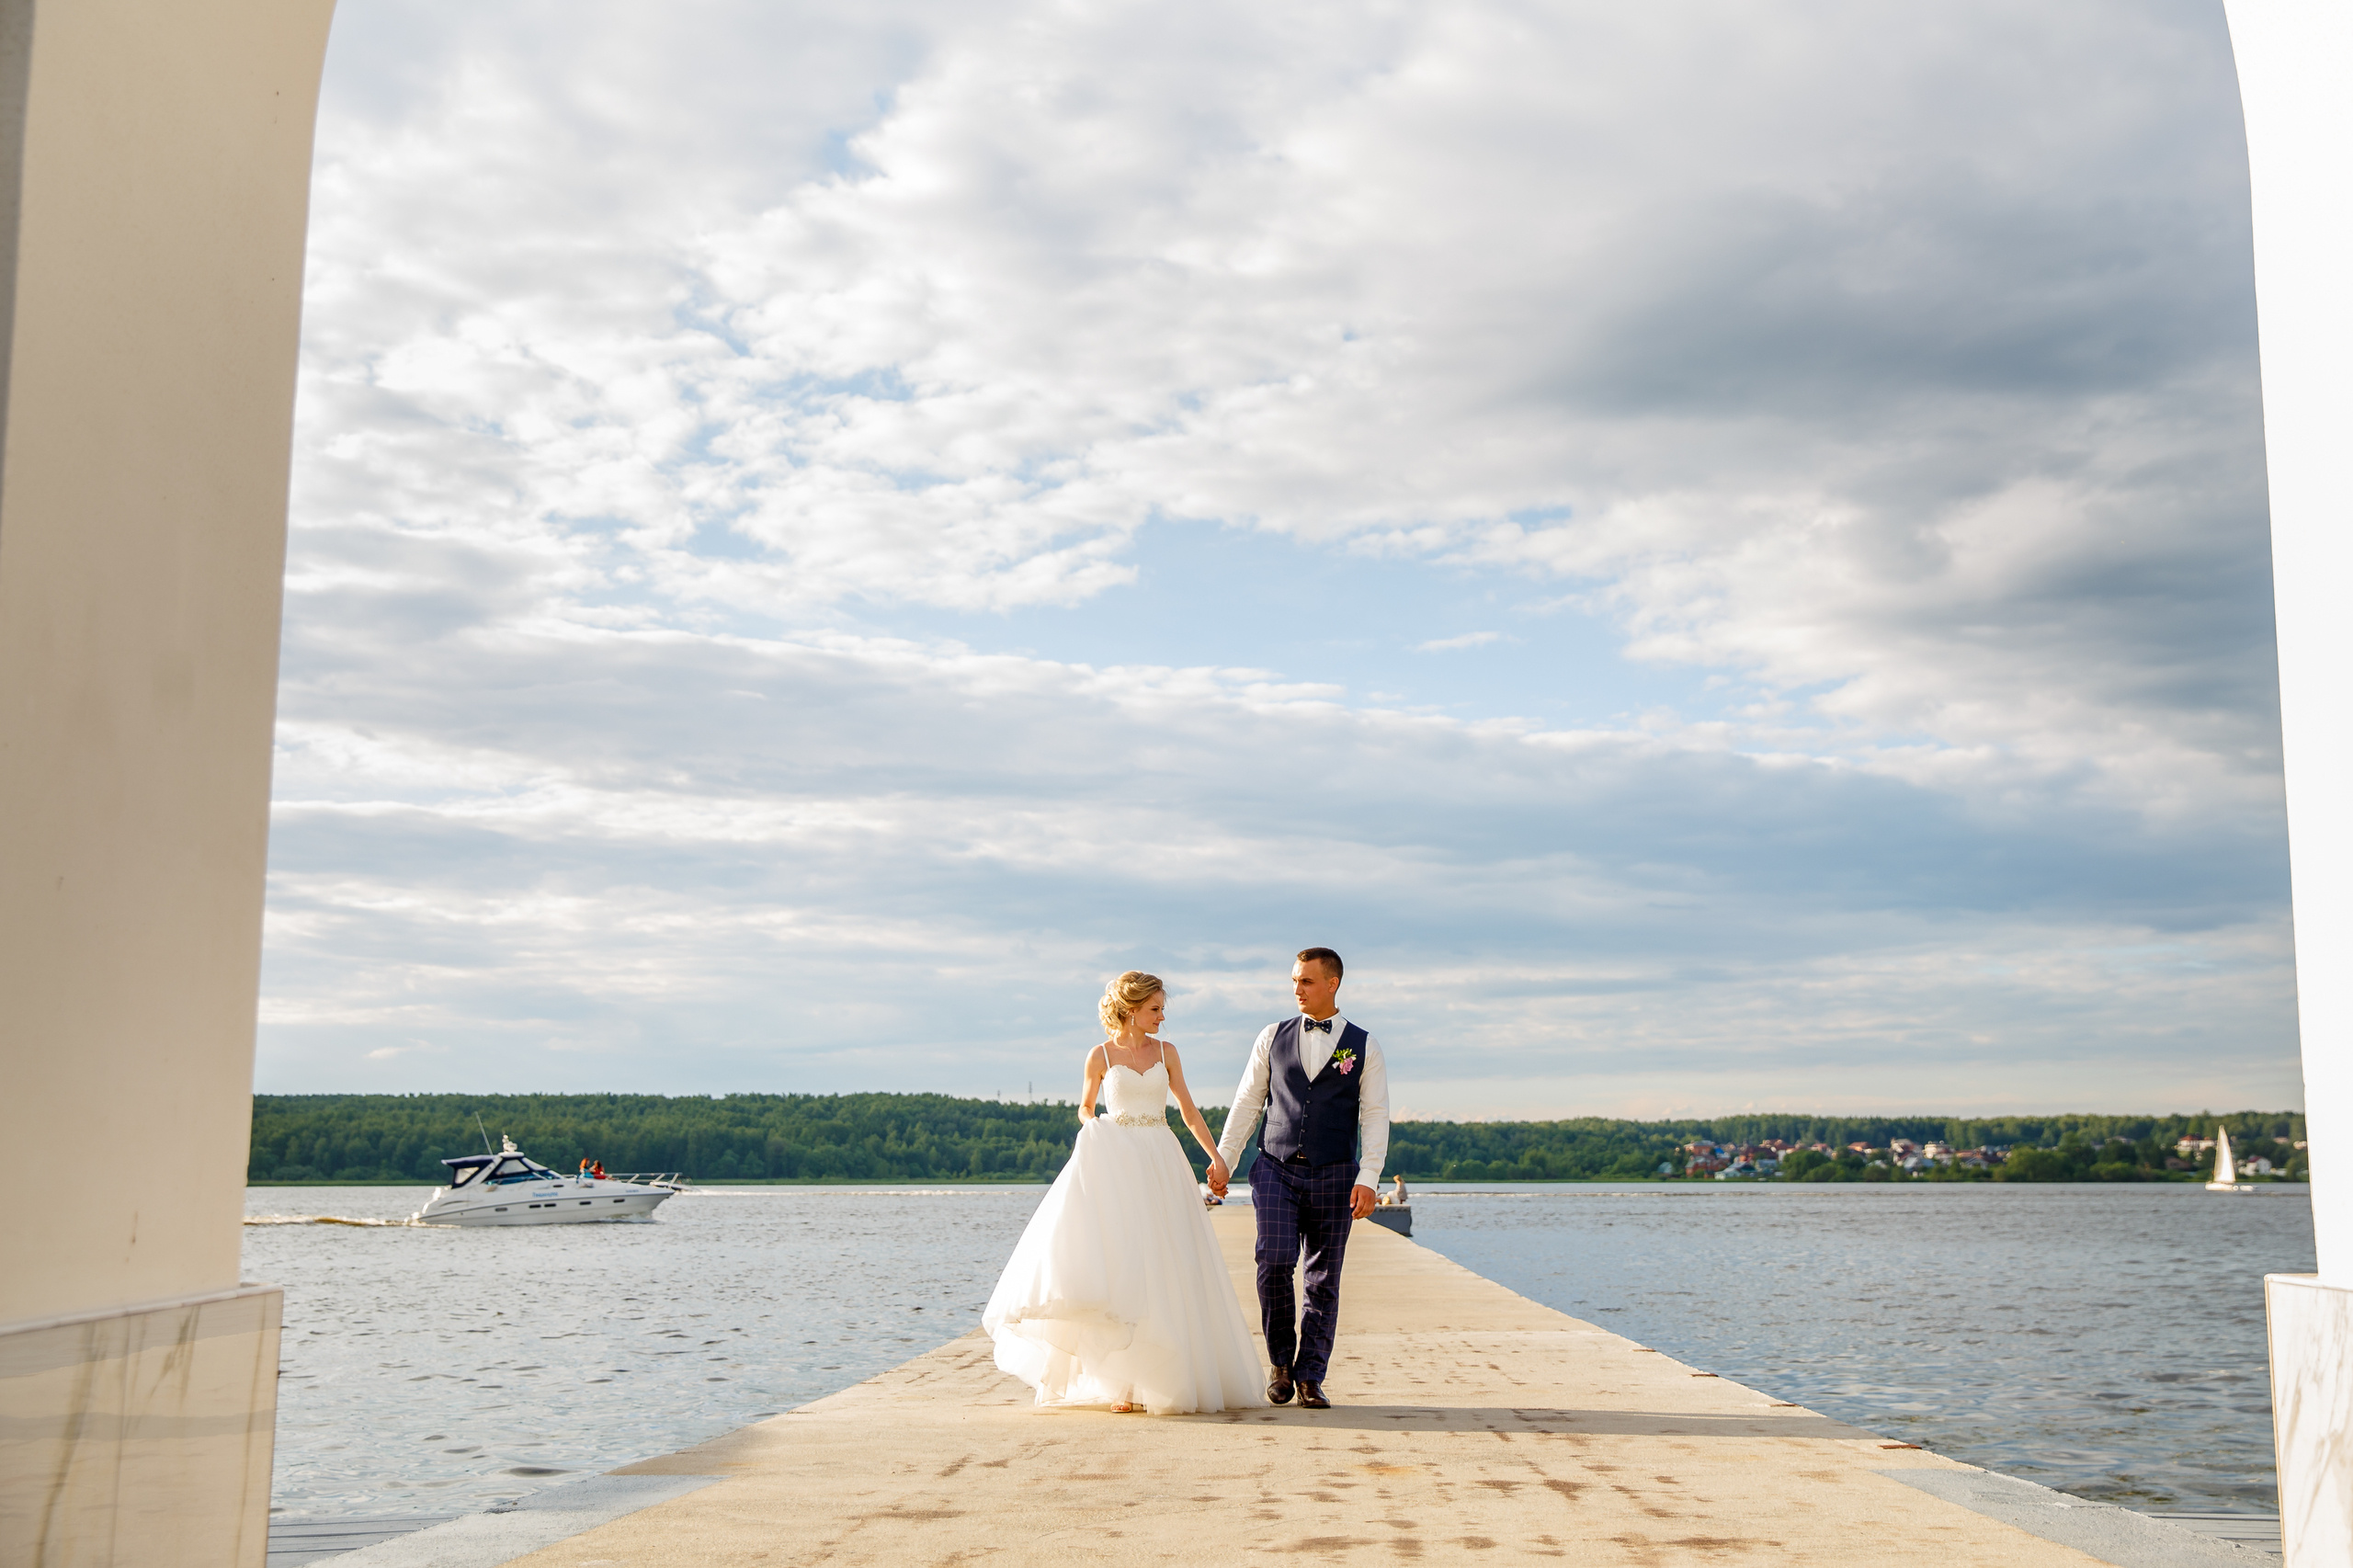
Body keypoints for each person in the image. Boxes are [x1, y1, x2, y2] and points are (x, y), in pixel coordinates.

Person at [983, 972, 1267, 1415]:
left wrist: (1217, 1157)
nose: (1161, 1016)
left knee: (1166, 1261)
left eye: (1161, 1008)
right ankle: (1124, 1382)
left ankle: (1162, 1375)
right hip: (1119, 1158)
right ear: (1131, 1009)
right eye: (1155, 1008)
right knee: (1125, 1263)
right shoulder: (1099, 1056)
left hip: (1160, 1157)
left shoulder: (1166, 1053)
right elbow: (1084, 1105)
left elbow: (1189, 1111)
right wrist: (1090, 1122)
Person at [1211, 947, 1390, 1411]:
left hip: (1336, 1173)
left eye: (1306, 981)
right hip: (1276, 1168)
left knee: (1323, 1280)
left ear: (1332, 984)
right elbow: (1248, 1102)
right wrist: (1225, 1158)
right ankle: (1281, 1365)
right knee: (1273, 1261)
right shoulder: (1271, 1036)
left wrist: (1369, 1175)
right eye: (1294, 981)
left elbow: (1374, 1116)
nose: (1297, 990)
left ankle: (1311, 1375)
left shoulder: (1365, 1045)